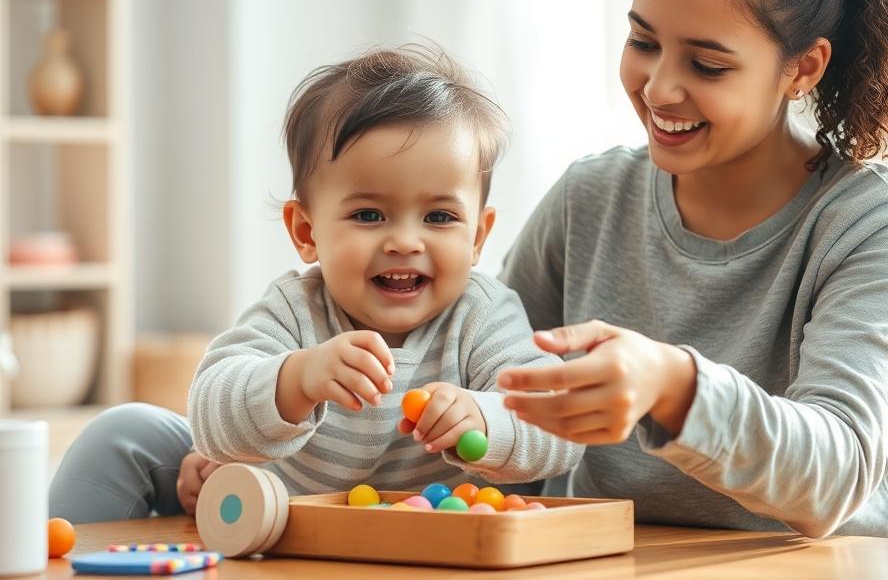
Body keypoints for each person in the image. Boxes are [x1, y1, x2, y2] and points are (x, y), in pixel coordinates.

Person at [495, 0, 888, 540]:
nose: (659, 87)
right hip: (618, 556)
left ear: (802, 69)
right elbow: (494, 399)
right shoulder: (587, 199)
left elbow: (839, 472)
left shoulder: (872, 223)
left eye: (707, 65)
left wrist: (672, 386)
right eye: (644, 42)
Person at [49, 46, 582, 523]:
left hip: (438, 551)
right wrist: (295, 380)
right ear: (307, 232)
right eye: (370, 215)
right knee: (125, 433)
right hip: (275, 532)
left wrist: (485, 419)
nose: (404, 242)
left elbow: (561, 426)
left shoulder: (483, 315)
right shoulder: (295, 309)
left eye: (440, 217)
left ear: (478, 236)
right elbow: (211, 408)